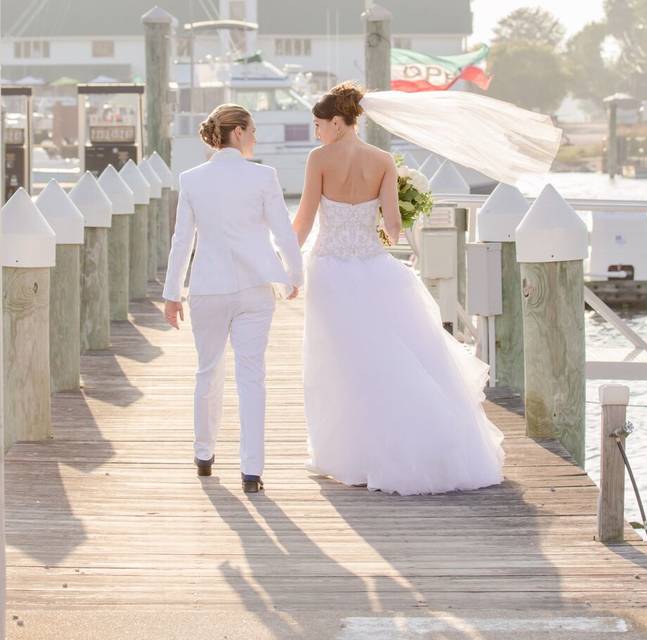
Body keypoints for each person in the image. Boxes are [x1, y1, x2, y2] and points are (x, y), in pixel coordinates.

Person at [291, 82, 505, 496]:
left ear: (337, 123)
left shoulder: (319, 159)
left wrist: (282, 263)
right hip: (375, 269)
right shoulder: (384, 160)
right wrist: (395, 208)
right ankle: (407, 447)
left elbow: (303, 219)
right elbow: (392, 229)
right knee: (387, 357)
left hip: (331, 271)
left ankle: (344, 455)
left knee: (338, 363)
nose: (316, 132)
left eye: (318, 124)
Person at [162, 103, 303, 494]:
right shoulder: (264, 177)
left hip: (208, 287)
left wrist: (173, 293)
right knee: (252, 376)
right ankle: (252, 470)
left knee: (208, 371)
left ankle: (204, 453)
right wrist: (295, 274)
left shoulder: (191, 179)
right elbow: (282, 231)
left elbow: (182, 242)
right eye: (252, 130)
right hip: (256, 287)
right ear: (237, 132)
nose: (256, 137)